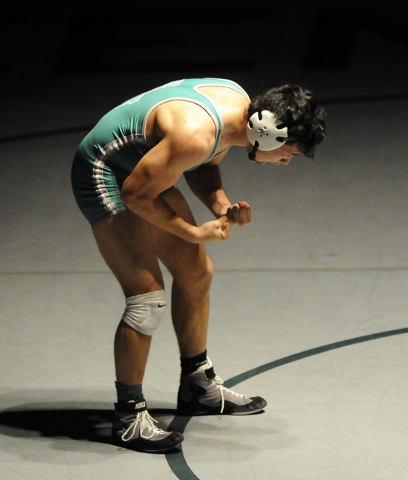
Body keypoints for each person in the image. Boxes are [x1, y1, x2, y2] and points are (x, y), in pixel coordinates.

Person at [71, 78, 326, 453]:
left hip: (145, 171)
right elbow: (135, 194)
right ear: (268, 135)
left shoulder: (239, 108)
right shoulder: (196, 133)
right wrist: (193, 233)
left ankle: (197, 385)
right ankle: (128, 417)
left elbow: (200, 166)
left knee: (197, 272)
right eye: (289, 153)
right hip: (107, 172)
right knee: (147, 301)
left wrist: (222, 207)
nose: (287, 162)